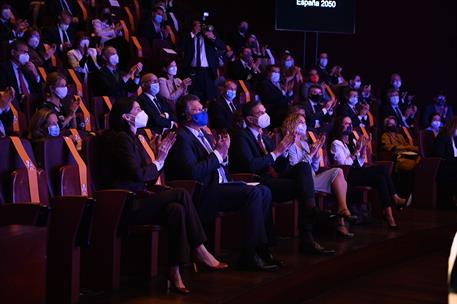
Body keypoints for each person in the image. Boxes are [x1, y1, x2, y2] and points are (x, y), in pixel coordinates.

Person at [102, 97, 227, 294]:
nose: (142, 111)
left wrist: (159, 157)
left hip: (139, 197)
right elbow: (139, 174)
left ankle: (174, 270)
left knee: (175, 210)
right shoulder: (119, 139)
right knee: (181, 194)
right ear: (126, 117)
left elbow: (149, 178)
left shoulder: (135, 138)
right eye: (137, 108)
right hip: (123, 203)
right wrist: (159, 159)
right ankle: (200, 249)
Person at [165, 94, 279, 272]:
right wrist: (218, 154)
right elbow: (193, 172)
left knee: (264, 190)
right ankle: (248, 254)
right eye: (196, 110)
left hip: (221, 184)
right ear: (185, 115)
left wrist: (223, 156)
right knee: (254, 193)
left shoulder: (204, 134)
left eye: (202, 108)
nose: (202, 112)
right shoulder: (181, 137)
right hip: (203, 191)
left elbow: (217, 162)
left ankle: (262, 248)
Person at [229, 101, 340, 251]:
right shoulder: (241, 136)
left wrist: (284, 151)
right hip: (257, 182)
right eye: (260, 113)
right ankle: (309, 225)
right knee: (303, 189)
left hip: (274, 178)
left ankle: (310, 216)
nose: (265, 115)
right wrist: (277, 152)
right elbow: (251, 166)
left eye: (264, 111)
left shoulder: (265, 137)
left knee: (303, 167)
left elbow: (281, 167)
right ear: (250, 119)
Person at [283, 113, 357, 237]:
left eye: (304, 122)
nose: (303, 125)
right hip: (303, 181)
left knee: (338, 171)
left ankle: (343, 209)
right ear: (292, 124)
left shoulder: (305, 143)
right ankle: (341, 220)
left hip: (313, 177)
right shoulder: (289, 144)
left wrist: (316, 156)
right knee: (337, 177)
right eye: (300, 122)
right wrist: (311, 154)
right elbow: (296, 168)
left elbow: (315, 168)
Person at [330, 116, 410, 228]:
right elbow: (344, 165)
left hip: (358, 171)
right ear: (340, 126)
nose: (349, 125)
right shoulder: (336, 143)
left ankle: (389, 215)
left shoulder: (353, 141)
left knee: (381, 179)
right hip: (347, 176)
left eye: (350, 123)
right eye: (346, 123)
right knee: (382, 169)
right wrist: (356, 151)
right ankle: (395, 198)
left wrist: (363, 149)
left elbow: (360, 162)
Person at [179, 20, 225, 101]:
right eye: (197, 25)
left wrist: (213, 37)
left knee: (209, 97)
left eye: (201, 26)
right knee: (195, 97)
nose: (200, 28)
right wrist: (193, 34)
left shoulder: (209, 36)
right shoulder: (188, 37)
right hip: (192, 71)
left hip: (207, 72)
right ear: (193, 27)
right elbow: (181, 48)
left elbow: (222, 46)